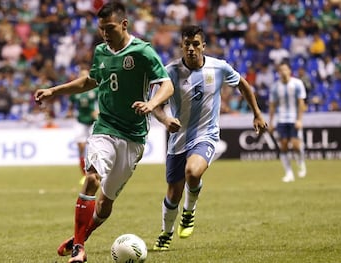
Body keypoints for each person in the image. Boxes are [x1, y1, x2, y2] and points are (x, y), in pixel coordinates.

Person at [33, 2, 174, 263]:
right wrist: (55, 91)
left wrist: (152, 104)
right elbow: (90, 81)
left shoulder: (143, 51)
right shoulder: (100, 51)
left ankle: (79, 238)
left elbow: (166, 84)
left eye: (109, 28)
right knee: (91, 179)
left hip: (134, 137)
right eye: (101, 29)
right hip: (105, 128)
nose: (105, 34)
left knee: (105, 204)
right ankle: (78, 250)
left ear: (124, 24)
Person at [151, 25, 267, 251]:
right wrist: (165, 120)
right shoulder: (170, 72)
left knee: (193, 172)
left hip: (207, 135)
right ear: (181, 46)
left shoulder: (219, 67)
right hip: (178, 140)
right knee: (172, 194)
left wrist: (257, 113)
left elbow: (244, 85)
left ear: (203, 46)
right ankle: (166, 233)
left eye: (196, 44)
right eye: (187, 44)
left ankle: (190, 211)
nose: (192, 49)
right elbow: (156, 105)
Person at [269, 62, 307, 183]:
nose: (283, 72)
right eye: (281, 70)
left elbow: (301, 103)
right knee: (284, 146)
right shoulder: (275, 86)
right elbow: (272, 106)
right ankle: (289, 173)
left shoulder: (297, 84)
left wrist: (300, 120)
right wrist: (271, 122)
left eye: (285, 69)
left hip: (293, 119)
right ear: (279, 72)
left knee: (296, 145)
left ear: (290, 71)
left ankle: (301, 163)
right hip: (281, 119)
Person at [66, 68, 99, 185]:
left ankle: (97, 173)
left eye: (85, 75)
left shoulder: (95, 89)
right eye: (82, 75)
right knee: (81, 146)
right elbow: (70, 104)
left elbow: (102, 100)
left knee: (95, 147)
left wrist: (98, 110)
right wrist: (69, 112)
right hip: (80, 120)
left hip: (93, 120)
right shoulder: (76, 91)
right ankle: (85, 175)